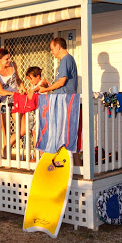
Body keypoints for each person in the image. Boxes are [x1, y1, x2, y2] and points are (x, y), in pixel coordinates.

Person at [38, 37, 82, 166]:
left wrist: (46, 89)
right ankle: (76, 166)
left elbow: (62, 82)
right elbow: (61, 83)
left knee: (62, 135)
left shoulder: (66, 59)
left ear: (58, 47)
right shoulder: (66, 60)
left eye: (52, 49)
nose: (52, 52)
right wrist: (50, 86)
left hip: (64, 101)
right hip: (64, 99)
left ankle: (60, 165)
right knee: (67, 135)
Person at [0, 48, 27, 158]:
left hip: (16, 99)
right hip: (3, 101)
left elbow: (18, 79)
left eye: (9, 58)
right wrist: (15, 94)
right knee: (5, 130)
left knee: (24, 128)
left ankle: (6, 147)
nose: (9, 60)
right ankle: (6, 157)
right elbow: (1, 91)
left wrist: (23, 88)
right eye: (6, 59)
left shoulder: (13, 65)